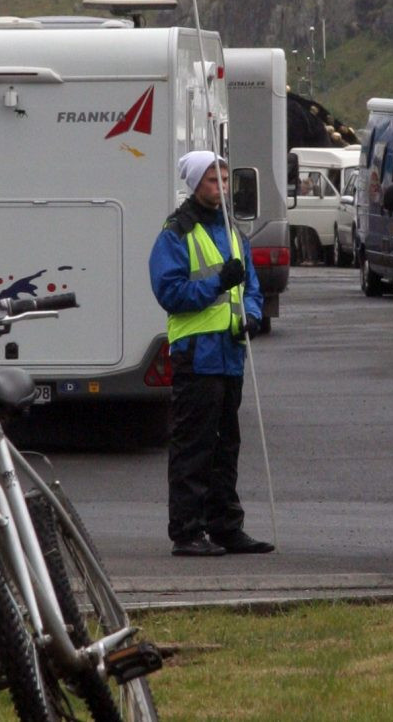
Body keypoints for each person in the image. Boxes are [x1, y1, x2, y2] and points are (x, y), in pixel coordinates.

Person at [149, 150, 274, 557]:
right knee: (192, 447)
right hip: (195, 356)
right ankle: (187, 531)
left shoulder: (231, 230)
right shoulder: (176, 233)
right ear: (194, 184)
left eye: (223, 179)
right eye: (211, 180)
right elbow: (170, 292)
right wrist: (219, 281)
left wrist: (252, 316)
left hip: (231, 355)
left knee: (225, 447)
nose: (220, 187)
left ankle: (225, 526)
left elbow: (251, 286)